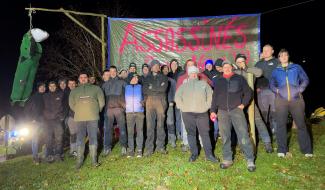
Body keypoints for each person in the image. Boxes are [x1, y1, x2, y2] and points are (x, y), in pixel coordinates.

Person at [210, 60, 256, 172]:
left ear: (232, 67)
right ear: (222, 68)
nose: (226, 68)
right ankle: (227, 159)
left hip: (237, 110)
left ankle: (250, 159)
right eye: (224, 66)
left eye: (228, 66)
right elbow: (215, 97)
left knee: (243, 134)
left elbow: (249, 92)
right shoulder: (218, 80)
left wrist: (243, 104)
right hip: (222, 111)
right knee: (225, 136)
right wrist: (213, 110)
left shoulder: (239, 78)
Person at [269, 49, 312, 158]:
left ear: (288, 56)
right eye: (281, 55)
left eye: (285, 55)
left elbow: (305, 79)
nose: (283, 57)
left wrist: (300, 89)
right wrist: (277, 90)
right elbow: (271, 83)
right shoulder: (276, 70)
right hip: (281, 100)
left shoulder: (296, 67)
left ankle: (307, 150)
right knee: (281, 125)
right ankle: (282, 150)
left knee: (301, 124)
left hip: (296, 99)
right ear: (278, 58)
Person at [175, 66, 219, 163]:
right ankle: (194, 154)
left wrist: (207, 106)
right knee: (191, 134)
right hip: (187, 114)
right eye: (191, 73)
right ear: (189, 75)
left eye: (195, 73)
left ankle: (209, 155)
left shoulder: (204, 84)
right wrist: (182, 107)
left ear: (197, 74)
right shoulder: (184, 85)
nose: (193, 74)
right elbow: (177, 97)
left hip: (202, 113)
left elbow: (210, 95)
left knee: (205, 134)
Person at [234, 53, 273, 153]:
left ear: (245, 61)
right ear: (235, 63)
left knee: (258, 121)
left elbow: (260, 72)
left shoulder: (251, 70)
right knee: (242, 124)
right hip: (238, 102)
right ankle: (243, 145)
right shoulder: (235, 72)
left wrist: (246, 69)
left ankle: (267, 143)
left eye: (242, 61)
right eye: (238, 62)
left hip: (251, 101)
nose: (240, 63)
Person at [69, 71, 105, 169]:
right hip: (80, 118)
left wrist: (96, 111)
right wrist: (79, 111)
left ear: (88, 78)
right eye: (81, 77)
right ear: (79, 79)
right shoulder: (74, 91)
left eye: (85, 77)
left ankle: (94, 160)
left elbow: (101, 102)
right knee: (80, 138)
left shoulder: (96, 88)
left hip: (93, 117)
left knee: (93, 138)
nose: (83, 79)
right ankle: (79, 161)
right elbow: (71, 104)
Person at [142, 59, 168, 156]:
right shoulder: (147, 78)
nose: (156, 67)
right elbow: (144, 90)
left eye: (158, 66)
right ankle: (149, 148)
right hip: (149, 102)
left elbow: (163, 89)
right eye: (154, 65)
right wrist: (156, 88)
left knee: (160, 125)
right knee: (150, 125)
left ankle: (160, 146)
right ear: (151, 67)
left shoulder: (164, 77)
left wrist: (151, 88)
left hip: (161, 102)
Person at [102, 66, 128, 156]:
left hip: (119, 109)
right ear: (109, 72)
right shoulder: (105, 84)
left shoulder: (122, 82)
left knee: (122, 128)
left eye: (114, 71)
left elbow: (127, 94)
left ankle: (124, 146)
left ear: (116, 72)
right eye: (111, 71)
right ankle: (107, 147)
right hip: (108, 110)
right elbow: (102, 98)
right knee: (107, 129)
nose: (112, 73)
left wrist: (124, 107)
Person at [255, 44, 279, 134]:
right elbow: (254, 77)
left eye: (267, 50)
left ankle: (276, 133)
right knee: (263, 114)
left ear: (272, 51)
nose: (265, 52)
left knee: (275, 113)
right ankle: (265, 133)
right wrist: (256, 87)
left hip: (274, 91)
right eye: (263, 50)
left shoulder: (277, 62)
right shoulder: (258, 63)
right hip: (261, 91)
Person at [43, 81, 65, 162]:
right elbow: (41, 108)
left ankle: (58, 154)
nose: (52, 87)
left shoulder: (60, 94)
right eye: (50, 86)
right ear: (48, 87)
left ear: (56, 87)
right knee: (48, 139)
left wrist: (62, 116)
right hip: (47, 121)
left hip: (57, 120)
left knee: (59, 137)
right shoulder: (45, 96)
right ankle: (49, 155)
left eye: (54, 86)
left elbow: (64, 105)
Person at [24, 82, 46, 164]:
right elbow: (26, 110)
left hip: (44, 120)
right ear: (38, 88)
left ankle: (45, 154)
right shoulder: (33, 97)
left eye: (44, 87)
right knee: (35, 139)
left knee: (46, 137)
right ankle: (35, 157)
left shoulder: (45, 96)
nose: (43, 88)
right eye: (41, 87)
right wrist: (31, 119)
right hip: (35, 122)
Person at [125, 73, 145, 157]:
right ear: (130, 78)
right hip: (129, 113)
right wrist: (124, 105)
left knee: (139, 131)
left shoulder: (141, 87)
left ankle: (139, 150)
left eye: (137, 77)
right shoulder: (126, 87)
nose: (137, 78)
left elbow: (145, 96)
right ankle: (131, 150)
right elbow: (121, 97)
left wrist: (143, 103)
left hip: (139, 112)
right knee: (130, 132)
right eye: (135, 77)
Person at [162, 64, 177, 148]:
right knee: (161, 122)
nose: (165, 70)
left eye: (166, 69)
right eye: (163, 69)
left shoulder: (172, 81)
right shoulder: (159, 80)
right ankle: (164, 139)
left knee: (170, 121)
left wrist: (172, 101)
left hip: (169, 103)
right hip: (161, 104)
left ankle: (172, 139)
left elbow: (175, 92)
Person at [167, 59, 183, 139]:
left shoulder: (180, 74)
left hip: (178, 98)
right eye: (172, 63)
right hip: (170, 99)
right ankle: (171, 133)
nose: (174, 65)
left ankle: (178, 132)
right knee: (170, 117)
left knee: (178, 116)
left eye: (175, 63)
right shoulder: (168, 74)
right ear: (170, 65)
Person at [65, 79, 78, 157]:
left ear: (76, 84)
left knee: (79, 133)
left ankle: (78, 149)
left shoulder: (79, 92)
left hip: (79, 116)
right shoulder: (65, 94)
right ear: (68, 85)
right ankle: (73, 150)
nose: (72, 85)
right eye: (70, 84)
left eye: (73, 83)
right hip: (70, 117)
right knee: (73, 134)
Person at [100, 69, 111, 156]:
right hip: (103, 111)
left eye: (109, 74)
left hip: (111, 110)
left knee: (109, 128)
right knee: (106, 129)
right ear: (103, 76)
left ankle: (107, 147)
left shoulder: (113, 84)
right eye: (106, 75)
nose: (108, 76)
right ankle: (106, 147)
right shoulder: (100, 86)